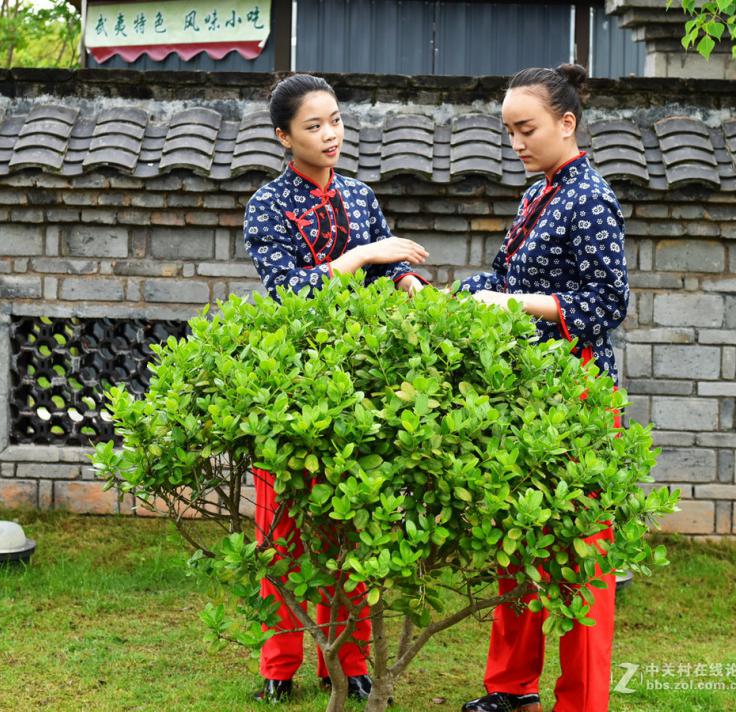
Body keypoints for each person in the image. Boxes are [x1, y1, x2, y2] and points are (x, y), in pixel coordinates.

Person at [242, 73, 430, 703]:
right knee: (283, 531)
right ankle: (278, 665)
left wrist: (404, 279)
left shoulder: (360, 195)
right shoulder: (266, 205)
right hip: (292, 384)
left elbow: (389, 265)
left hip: (359, 384)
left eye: (337, 121)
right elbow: (292, 292)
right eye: (314, 126)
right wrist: (359, 258)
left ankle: (347, 661)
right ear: (283, 136)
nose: (330, 135)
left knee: (350, 524)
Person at [458, 64, 629, 712]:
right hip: (529, 394)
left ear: (567, 122)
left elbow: (609, 302)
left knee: (584, 554)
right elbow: (500, 275)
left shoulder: (590, 197)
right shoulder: (538, 194)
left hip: (579, 394)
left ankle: (582, 701)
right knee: (521, 539)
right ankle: (511, 686)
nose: (516, 143)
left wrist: (517, 305)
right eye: (508, 132)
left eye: (525, 129)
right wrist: (448, 296)